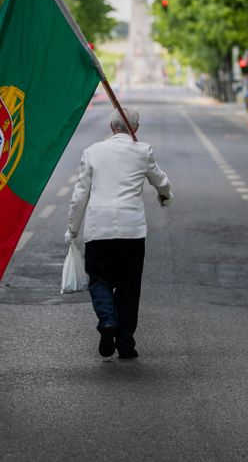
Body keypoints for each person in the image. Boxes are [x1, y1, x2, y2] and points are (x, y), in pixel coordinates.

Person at [66, 107, 172, 360]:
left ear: (112, 127)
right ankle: (125, 344)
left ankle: (107, 320)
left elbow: (80, 195)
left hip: (98, 230)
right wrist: (165, 197)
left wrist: (72, 229)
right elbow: (161, 182)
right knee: (128, 287)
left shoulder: (92, 152)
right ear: (135, 128)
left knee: (99, 280)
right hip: (131, 231)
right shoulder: (143, 151)